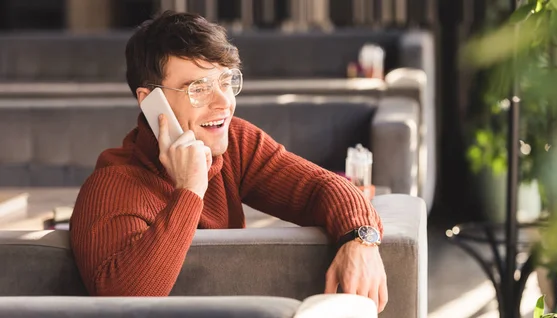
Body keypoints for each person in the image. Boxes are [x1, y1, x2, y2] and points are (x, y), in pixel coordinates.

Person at [69, 10, 388, 313]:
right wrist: (190, 190)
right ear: (151, 101)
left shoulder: (235, 144)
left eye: (226, 81)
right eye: (199, 88)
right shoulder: (111, 186)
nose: (224, 102)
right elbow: (124, 301)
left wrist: (360, 238)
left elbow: (320, 187)